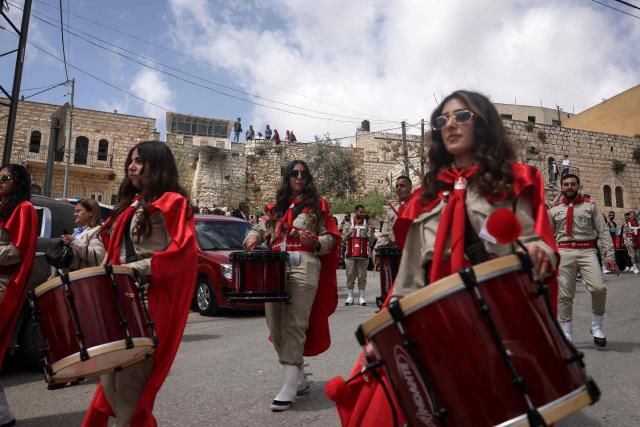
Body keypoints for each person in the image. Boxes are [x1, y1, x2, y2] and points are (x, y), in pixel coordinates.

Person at [329, 90, 560, 426]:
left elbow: (529, 238)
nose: (450, 124)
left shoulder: (514, 180)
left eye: (461, 115)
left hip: (498, 322)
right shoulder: (425, 199)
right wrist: (385, 334)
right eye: (442, 120)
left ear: (482, 122)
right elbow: (408, 280)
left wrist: (537, 250)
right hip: (439, 324)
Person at [82, 141, 198, 427]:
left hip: (146, 307)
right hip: (117, 304)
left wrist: (128, 270)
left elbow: (181, 256)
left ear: (156, 165)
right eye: (130, 161)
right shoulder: (130, 206)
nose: (130, 166)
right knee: (112, 388)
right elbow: (112, 253)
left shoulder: (174, 203)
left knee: (130, 397)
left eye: (138, 161)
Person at [244, 160, 339, 412]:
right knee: (274, 323)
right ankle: (297, 374)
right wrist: (253, 236)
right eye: (294, 173)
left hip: (303, 263)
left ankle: (288, 385)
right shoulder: (275, 208)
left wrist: (316, 241)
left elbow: (330, 237)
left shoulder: (318, 206)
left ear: (308, 178)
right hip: (275, 265)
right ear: (287, 177)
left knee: (295, 323)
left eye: (303, 174)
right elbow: (260, 227)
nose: (298, 177)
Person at [548, 174, 618, 347]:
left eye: (573, 184)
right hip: (564, 252)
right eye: (566, 184)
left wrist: (609, 256)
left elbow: (603, 232)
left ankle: (596, 326)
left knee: (598, 288)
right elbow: (548, 237)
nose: (569, 187)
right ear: (561, 187)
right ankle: (566, 334)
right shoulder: (554, 210)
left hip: (587, 251)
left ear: (578, 186)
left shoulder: (590, 207)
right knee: (564, 295)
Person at [0, 164, 38, 427]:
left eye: (6, 178)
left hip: (4, 284)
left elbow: (18, 251)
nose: (0, 181)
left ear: (18, 182)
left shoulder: (24, 209)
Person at [342, 204, 375, 306]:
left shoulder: (367, 224)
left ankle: (361, 297)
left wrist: (372, 231)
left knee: (362, 276)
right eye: (360, 212)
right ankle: (350, 297)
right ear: (356, 212)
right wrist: (348, 234)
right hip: (350, 254)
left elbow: (371, 241)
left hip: (363, 255)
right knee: (350, 275)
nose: (362, 214)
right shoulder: (348, 224)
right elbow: (342, 239)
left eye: (363, 212)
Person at [60, 198, 106, 270]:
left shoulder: (97, 231)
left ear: (91, 213)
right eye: (75, 211)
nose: (75, 214)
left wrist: (74, 241)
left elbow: (98, 256)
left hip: (85, 278)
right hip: (71, 278)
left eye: (78, 211)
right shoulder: (77, 232)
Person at [373, 176, 412, 249]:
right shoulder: (391, 211)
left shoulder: (419, 206)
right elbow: (384, 234)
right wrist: (376, 249)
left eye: (402, 186)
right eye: (397, 186)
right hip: (397, 252)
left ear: (410, 187)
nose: (398, 188)